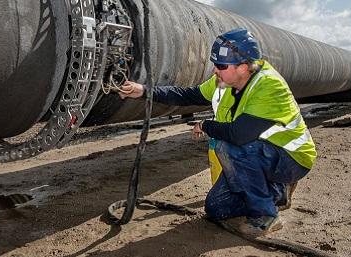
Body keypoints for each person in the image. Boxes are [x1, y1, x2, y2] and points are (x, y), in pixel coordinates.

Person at [119, 28, 317, 237]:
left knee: (229, 145)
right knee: (216, 209)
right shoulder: (223, 81)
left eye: (221, 66)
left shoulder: (269, 86)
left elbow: (238, 135)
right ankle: (277, 193)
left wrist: (205, 125)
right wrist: (143, 90)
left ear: (243, 67)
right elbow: (188, 95)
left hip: (292, 159)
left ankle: (266, 215)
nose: (215, 70)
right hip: (259, 155)